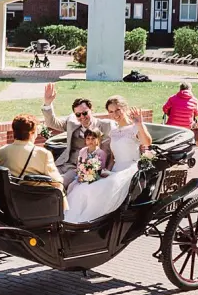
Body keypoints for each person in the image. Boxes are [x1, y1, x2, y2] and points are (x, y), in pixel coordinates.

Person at [63, 96, 152, 224]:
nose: (115, 114)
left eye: (117, 110)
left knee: (106, 187)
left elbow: (147, 142)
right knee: (83, 187)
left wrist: (139, 124)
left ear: (125, 108)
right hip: (115, 169)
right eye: (111, 111)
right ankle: (75, 220)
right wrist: (105, 171)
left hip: (130, 168)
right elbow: (113, 156)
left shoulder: (134, 128)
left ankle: (93, 219)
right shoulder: (113, 132)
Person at [40, 83, 114, 187]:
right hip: (63, 163)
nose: (82, 117)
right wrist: (48, 103)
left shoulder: (105, 125)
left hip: (80, 168)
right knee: (39, 179)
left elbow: (108, 151)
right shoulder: (72, 122)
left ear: (91, 110)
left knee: (56, 184)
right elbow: (52, 122)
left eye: (85, 113)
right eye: (78, 114)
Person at [0, 114, 66, 201]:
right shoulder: (43, 154)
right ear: (31, 133)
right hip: (38, 201)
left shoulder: (1, 151)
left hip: (11, 199)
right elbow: (57, 182)